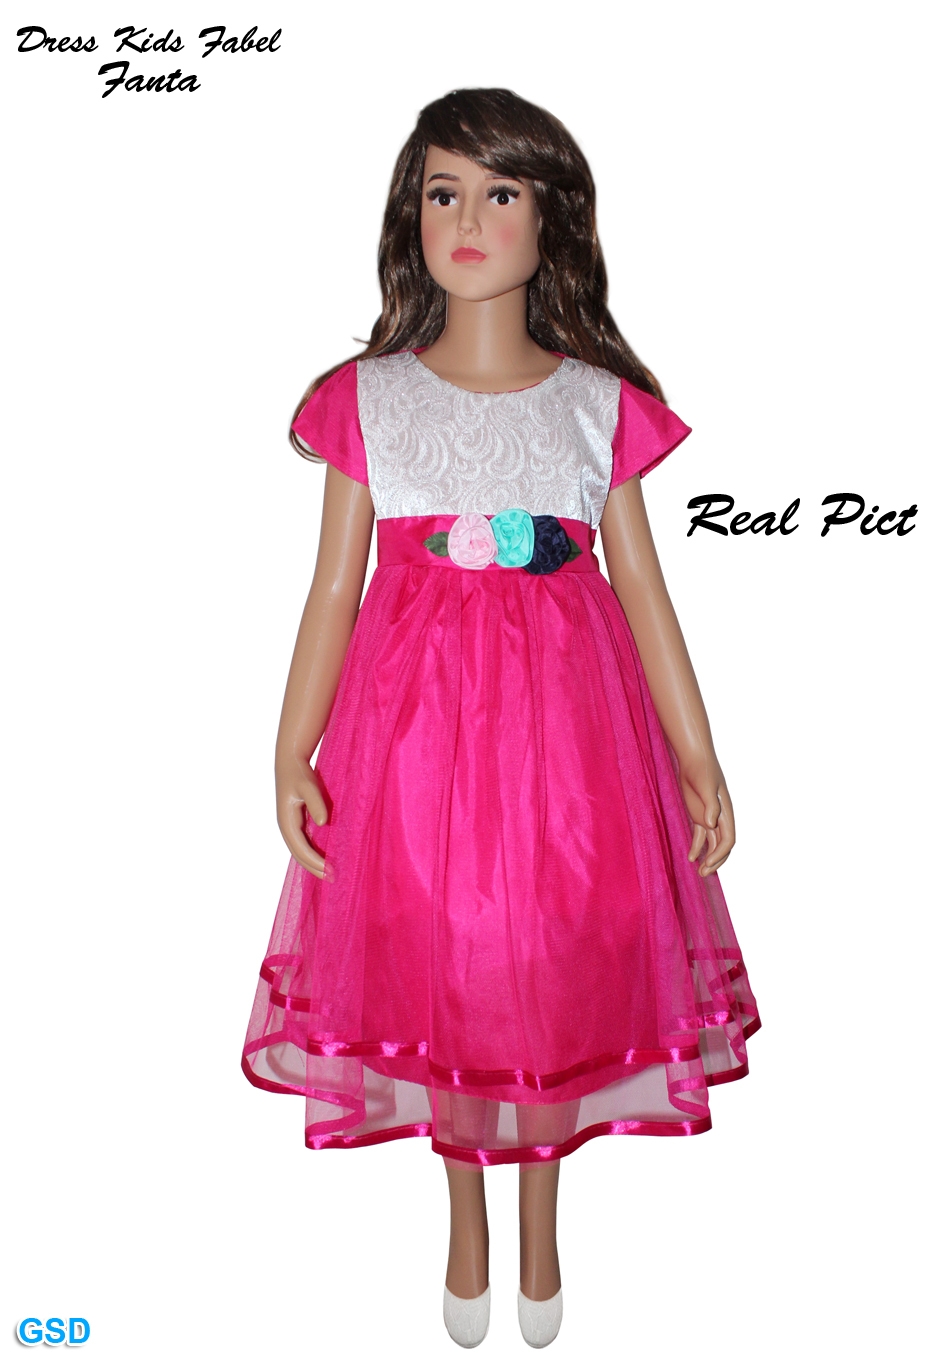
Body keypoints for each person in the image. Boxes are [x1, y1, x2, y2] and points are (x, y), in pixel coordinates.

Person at [242, 88, 760, 1349]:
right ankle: (466, 1224)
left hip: (574, 740)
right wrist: (290, 746)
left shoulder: (595, 404)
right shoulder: (369, 399)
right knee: (440, 964)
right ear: (408, 216)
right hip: (416, 736)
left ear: (552, 219)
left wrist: (698, 756)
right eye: (443, 193)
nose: (467, 218)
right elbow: (331, 589)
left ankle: (540, 1224)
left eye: (500, 192)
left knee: (554, 967)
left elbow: (642, 586)